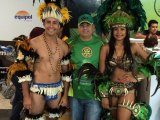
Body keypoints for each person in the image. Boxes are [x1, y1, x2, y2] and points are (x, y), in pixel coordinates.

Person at [12, 2, 71, 120]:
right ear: (43, 23)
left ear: (59, 25)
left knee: (54, 117)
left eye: (55, 23)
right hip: (37, 89)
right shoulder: (33, 43)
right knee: (34, 117)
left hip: (56, 88)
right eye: (48, 22)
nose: (51, 26)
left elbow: (66, 74)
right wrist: (26, 96)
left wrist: (65, 96)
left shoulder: (64, 46)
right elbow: (24, 72)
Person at [98, 12, 155, 119]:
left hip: (128, 90)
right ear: (112, 31)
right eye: (116, 29)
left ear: (127, 31)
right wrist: (104, 96)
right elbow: (101, 73)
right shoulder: (105, 48)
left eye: (122, 29)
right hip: (111, 90)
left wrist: (137, 77)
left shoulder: (134, 47)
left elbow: (153, 63)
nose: (119, 32)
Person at [68, 13, 103, 120]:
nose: (85, 28)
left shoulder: (101, 44)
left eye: (88, 25)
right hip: (75, 94)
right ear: (78, 28)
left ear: (93, 27)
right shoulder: (70, 43)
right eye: (82, 25)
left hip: (94, 95)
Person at [7, 28, 45, 120]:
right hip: (19, 75)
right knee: (23, 97)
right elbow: (23, 68)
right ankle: (14, 117)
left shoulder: (33, 46)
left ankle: (15, 116)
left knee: (18, 95)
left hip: (19, 75)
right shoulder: (26, 47)